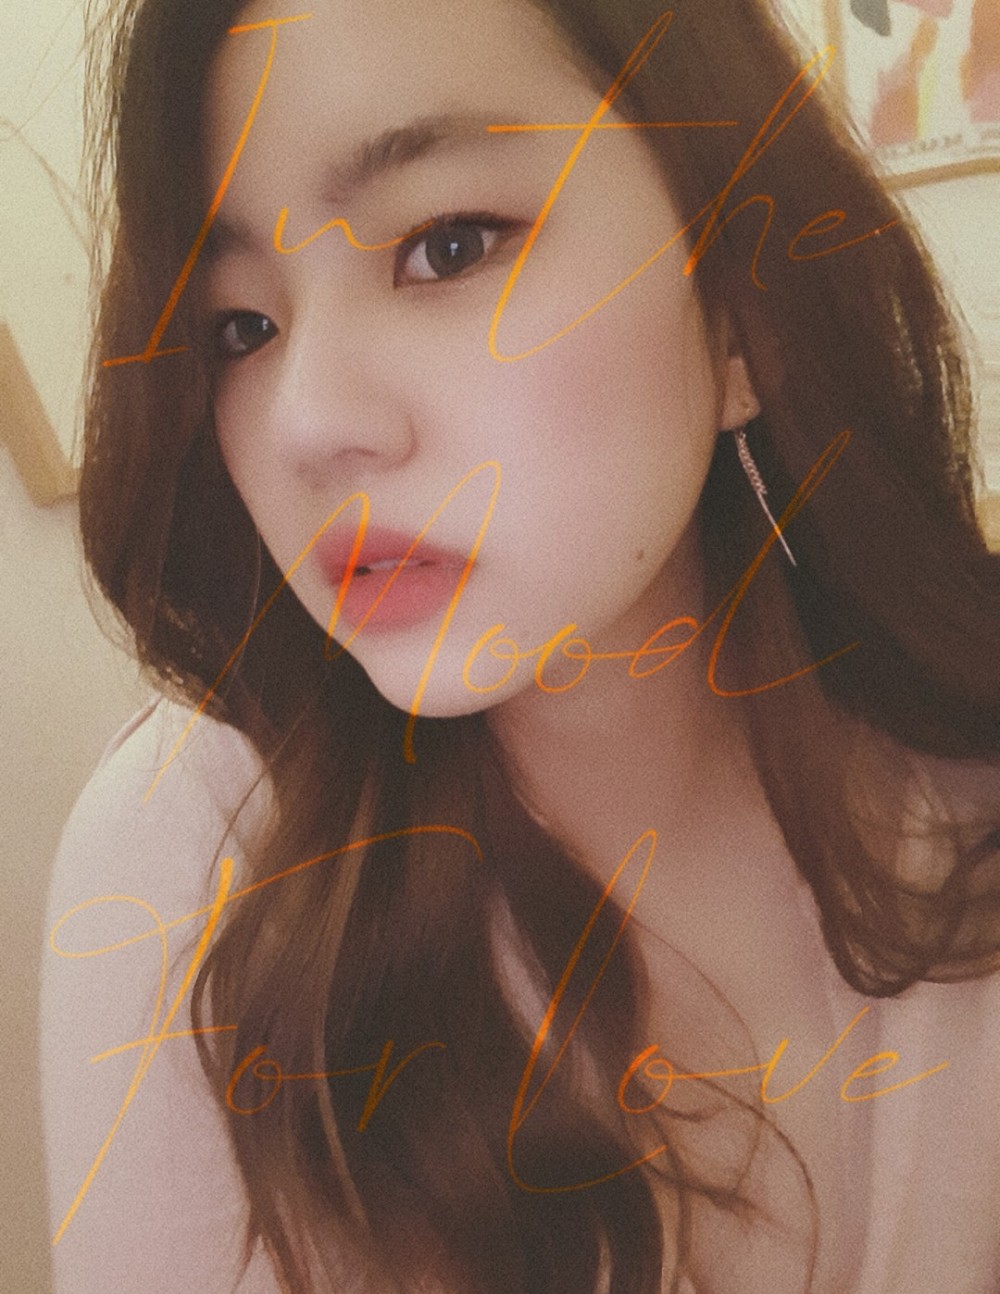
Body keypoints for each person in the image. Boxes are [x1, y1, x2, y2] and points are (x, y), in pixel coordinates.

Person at [41, 0, 1000, 1290]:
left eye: (446, 247)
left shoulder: (964, 786)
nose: (307, 424)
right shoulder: (201, 851)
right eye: (240, 328)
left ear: (736, 302)